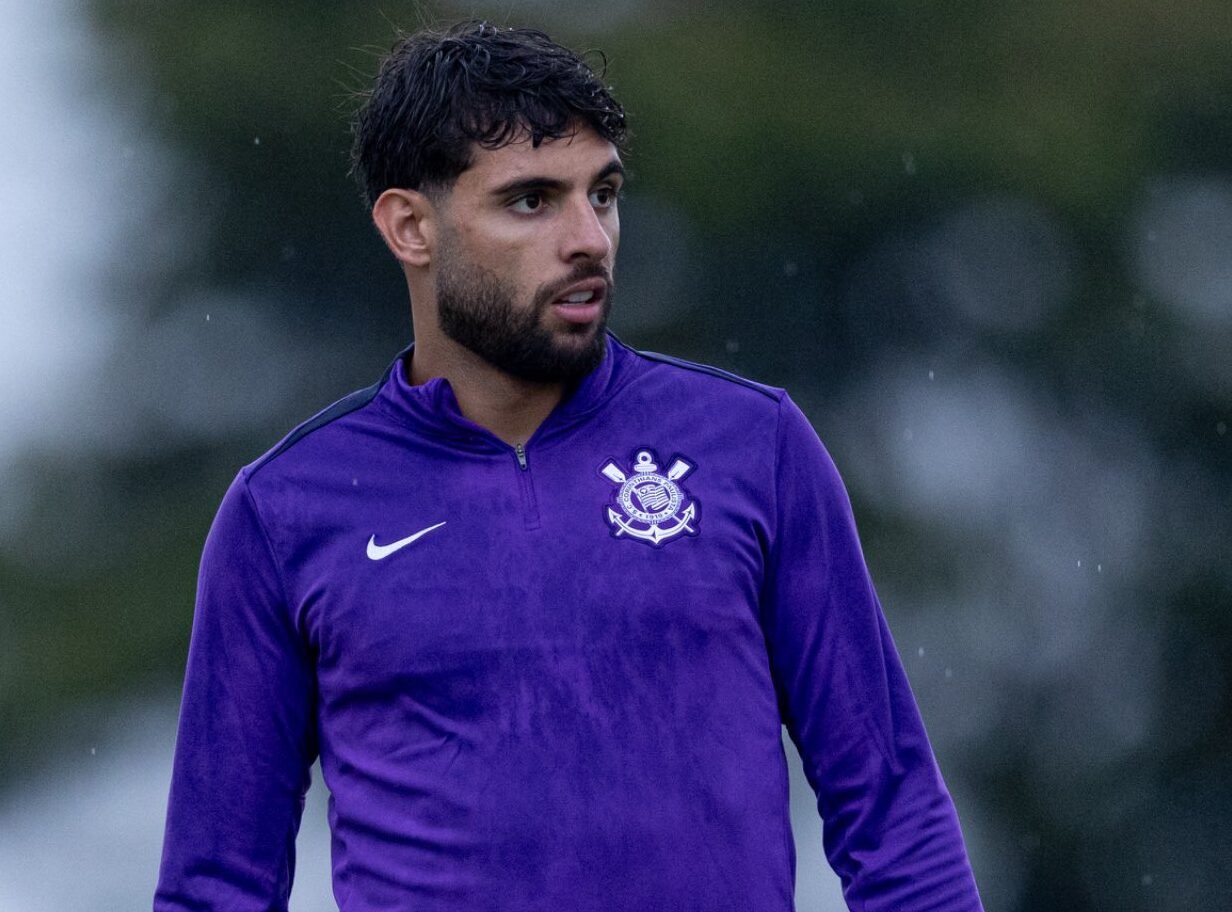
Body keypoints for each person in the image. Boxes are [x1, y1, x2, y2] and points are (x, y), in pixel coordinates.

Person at [154, 20, 984, 912]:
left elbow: (891, 807)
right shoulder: (284, 511)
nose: (590, 237)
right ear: (411, 227)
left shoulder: (753, 444)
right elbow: (217, 884)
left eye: (604, 193)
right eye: (531, 201)